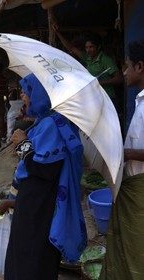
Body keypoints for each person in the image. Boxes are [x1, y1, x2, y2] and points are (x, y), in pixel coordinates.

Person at [4, 74, 86, 279]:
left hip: (40, 208)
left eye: (28, 91)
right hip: (31, 203)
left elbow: (44, 170)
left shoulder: (52, 125)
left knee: (32, 261)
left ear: (41, 94)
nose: (23, 95)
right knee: (24, 257)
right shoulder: (43, 122)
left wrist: (22, 143)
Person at [101, 39, 144, 280]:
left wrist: (124, 153)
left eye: (127, 66)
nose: (124, 72)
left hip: (140, 189)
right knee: (128, 247)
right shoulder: (140, 101)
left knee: (137, 248)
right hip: (133, 185)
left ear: (140, 66)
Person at [54, 27, 123, 105]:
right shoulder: (87, 58)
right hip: (94, 97)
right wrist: (57, 33)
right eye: (86, 47)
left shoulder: (106, 60)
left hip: (107, 98)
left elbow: (119, 79)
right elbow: (71, 48)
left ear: (98, 47)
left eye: (91, 47)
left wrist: (100, 82)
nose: (88, 50)